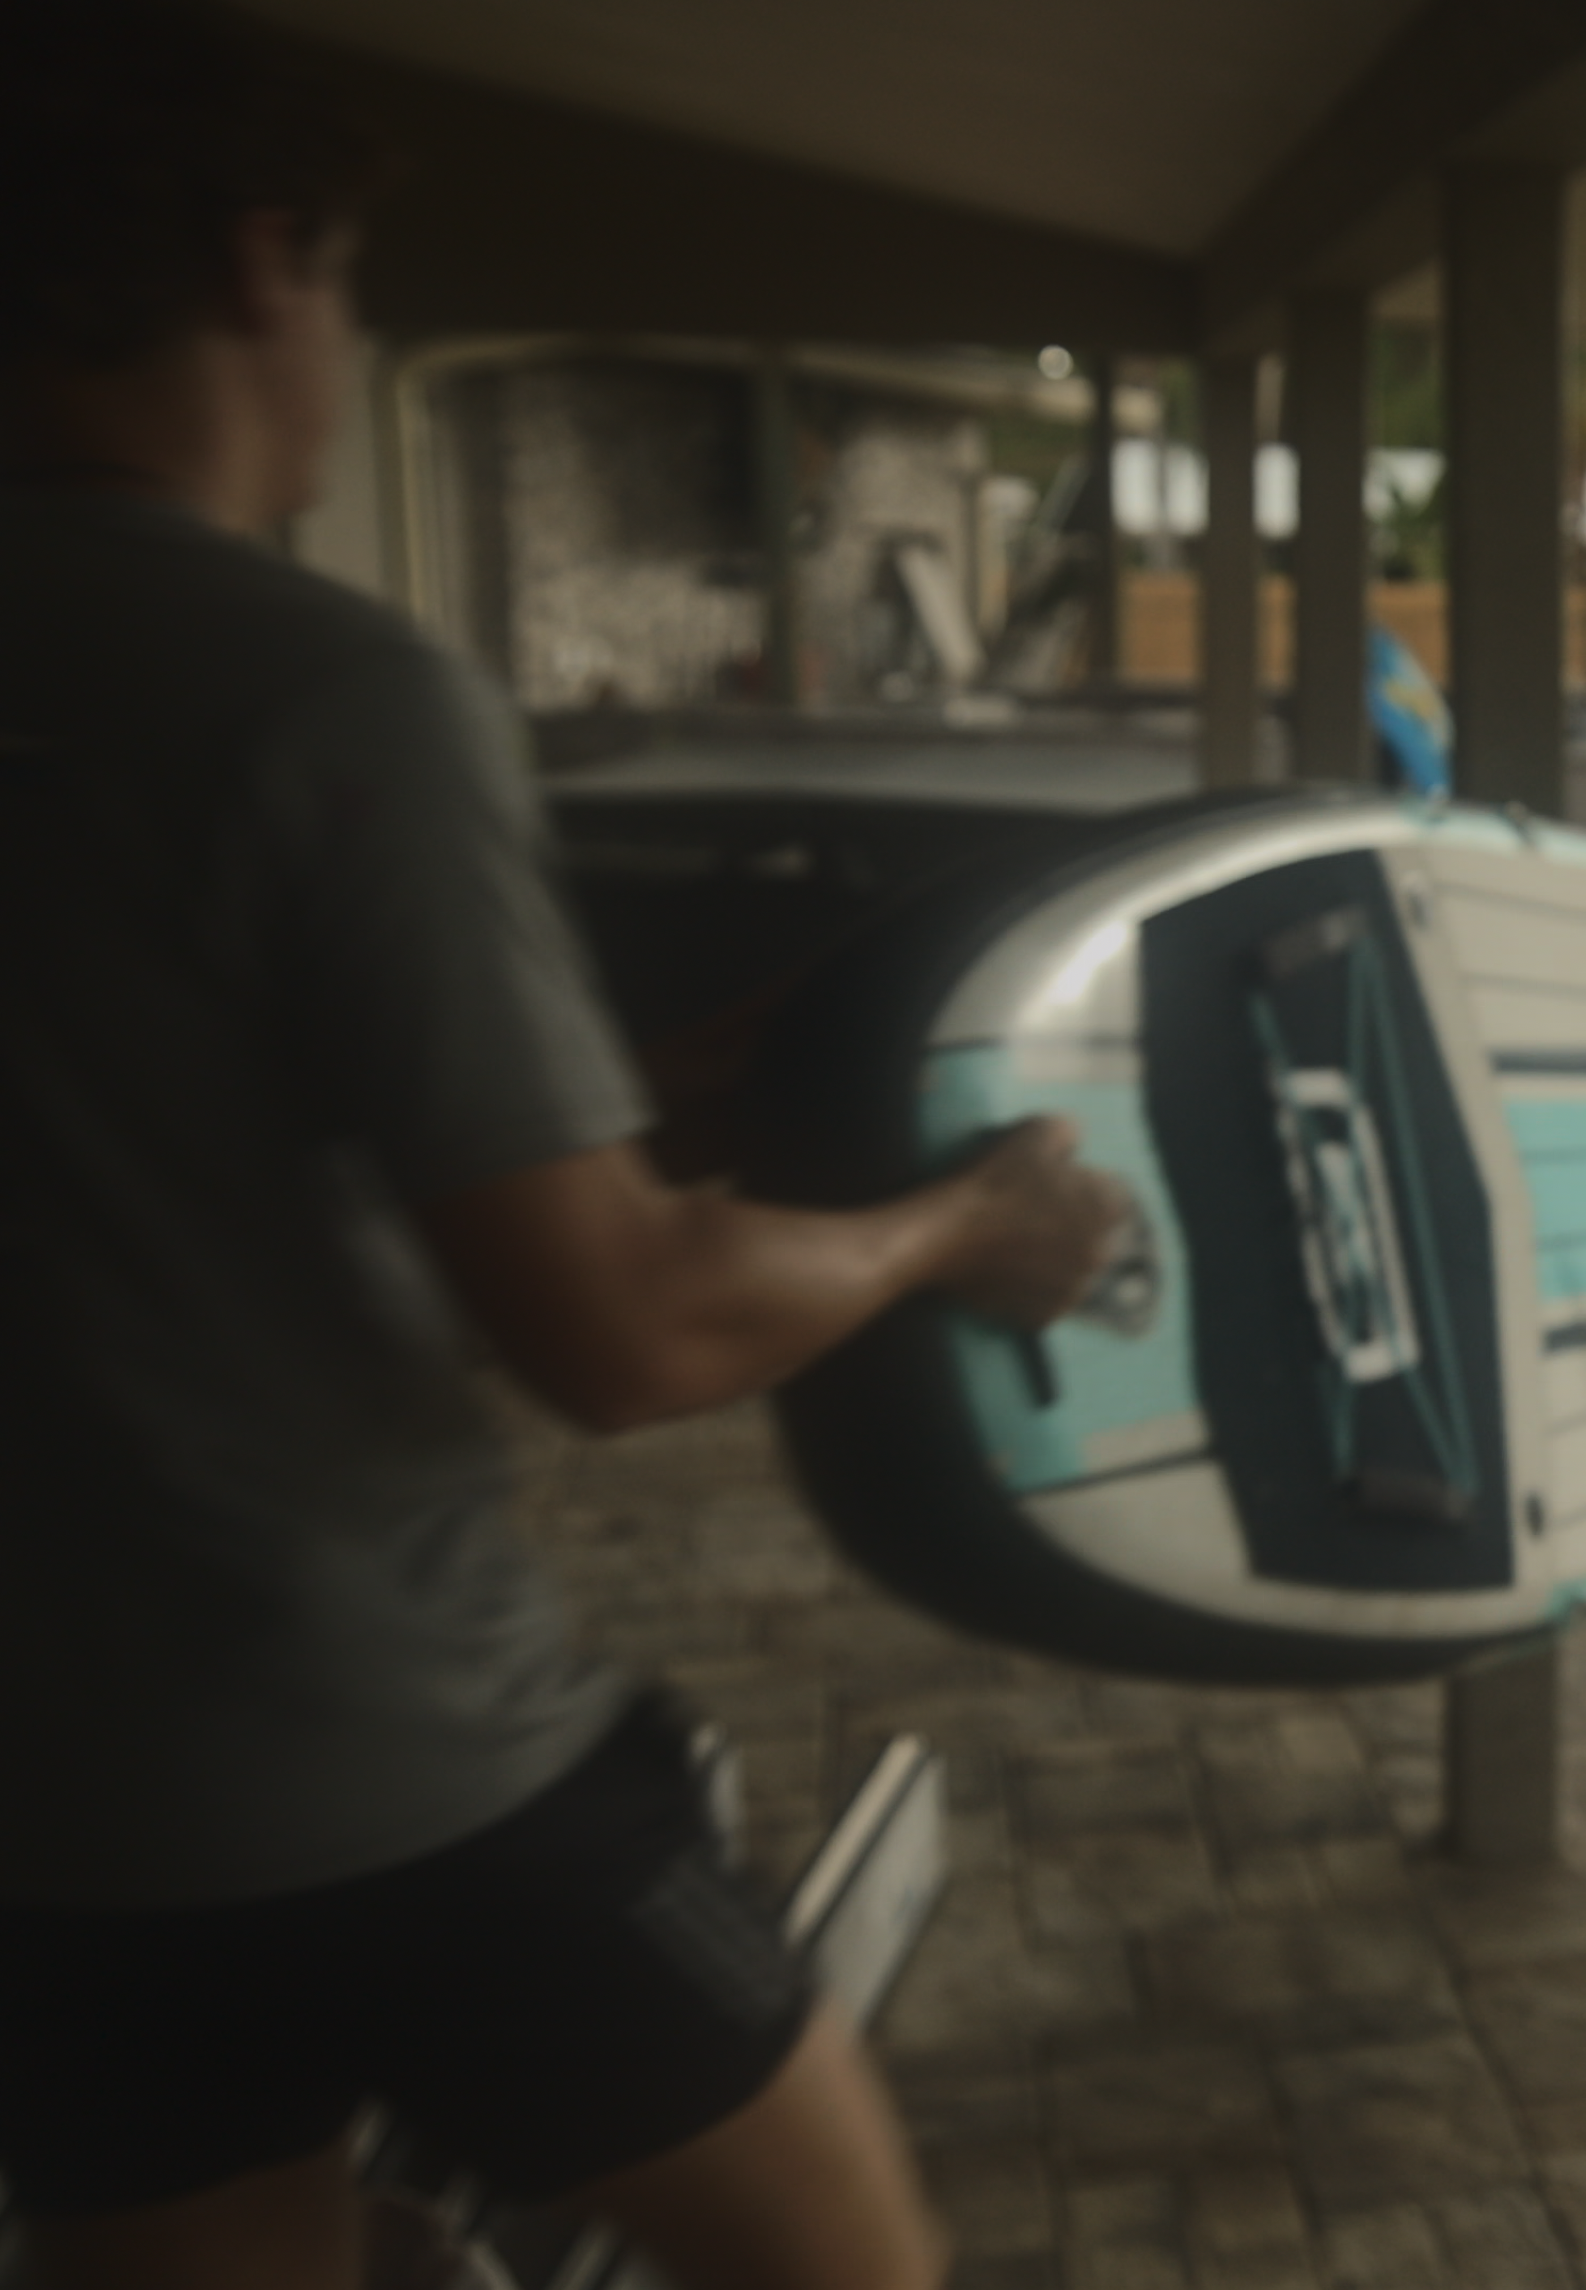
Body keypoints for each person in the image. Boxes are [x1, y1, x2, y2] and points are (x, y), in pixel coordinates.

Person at [0, 10, 1126, 2286]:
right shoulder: (320, 689)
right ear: (257, 263)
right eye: (347, 291)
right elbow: (618, 1331)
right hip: (403, 1774)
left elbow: (152, 1155)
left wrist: (625, 1093)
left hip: (59, 1833)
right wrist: (951, 1225)